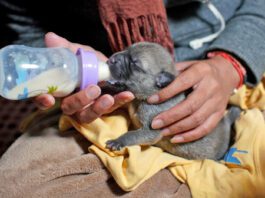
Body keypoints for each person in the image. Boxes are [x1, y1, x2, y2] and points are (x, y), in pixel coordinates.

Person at [0, 0, 265, 196]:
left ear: (160, 82)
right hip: (100, 92)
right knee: (15, 186)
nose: (119, 59)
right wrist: (57, 69)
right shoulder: (131, 78)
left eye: (132, 63)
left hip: (232, 62)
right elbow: (26, 24)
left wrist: (233, 63)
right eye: (125, 55)